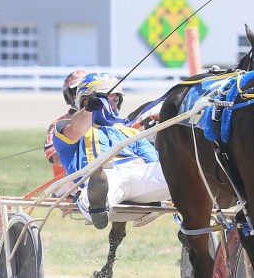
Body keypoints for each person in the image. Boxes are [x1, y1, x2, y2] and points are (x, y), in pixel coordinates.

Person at [51, 72, 170, 229]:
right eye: (107, 99)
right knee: (101, 182)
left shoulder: (131, 132)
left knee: (174, 172)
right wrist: (88, 110)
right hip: (106, 178)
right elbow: (75, 129)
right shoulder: (67, 129)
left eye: (115, 99)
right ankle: (95, 204)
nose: (112, 104)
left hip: (141, 178)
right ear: (85, 100)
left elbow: (153, 164)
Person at [44, 69, 87, 180]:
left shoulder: (103, 120)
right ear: (69, 96)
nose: (81, 95)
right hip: (66, 186)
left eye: (85, 90)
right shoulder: (58, 125)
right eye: (76, 91)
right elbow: (54, 158)